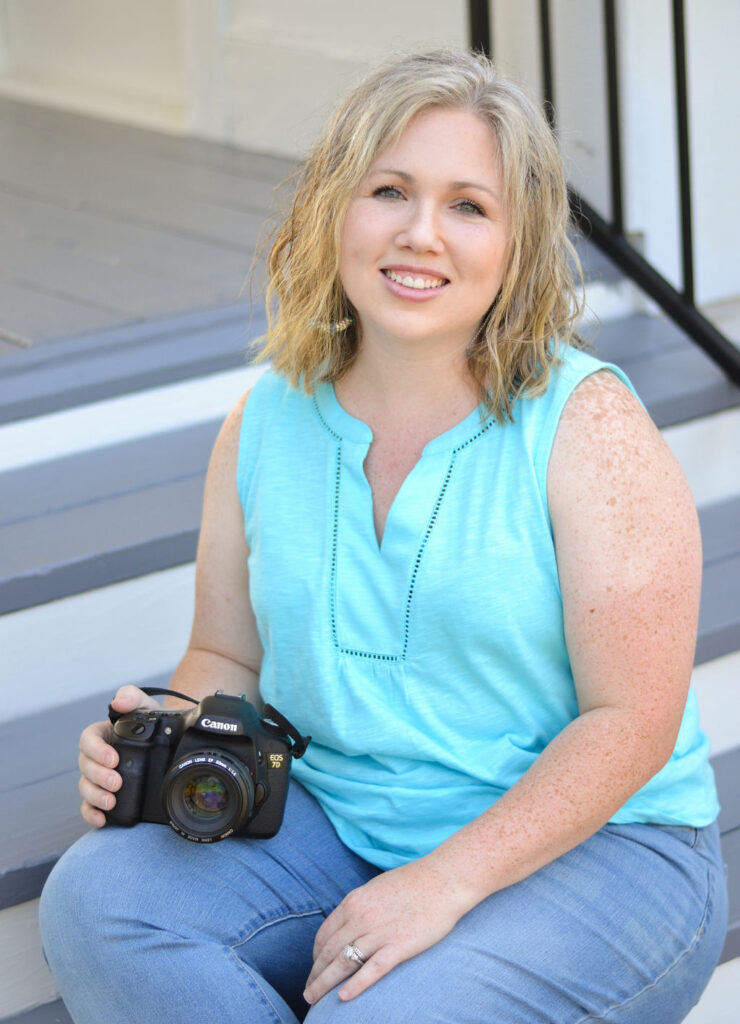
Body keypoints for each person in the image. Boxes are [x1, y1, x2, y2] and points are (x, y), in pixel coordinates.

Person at [40, 49, 727, 1023]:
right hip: (340, 821)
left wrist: (443, 881)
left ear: (517, 244)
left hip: (602, 851)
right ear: (334, 208)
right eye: (390, 191)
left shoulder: (584, 427)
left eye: (467, 206)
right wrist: (152, 727)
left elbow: (630, 720)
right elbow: (226, 651)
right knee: (98, 900)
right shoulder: (266, 418)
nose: (419, 234)